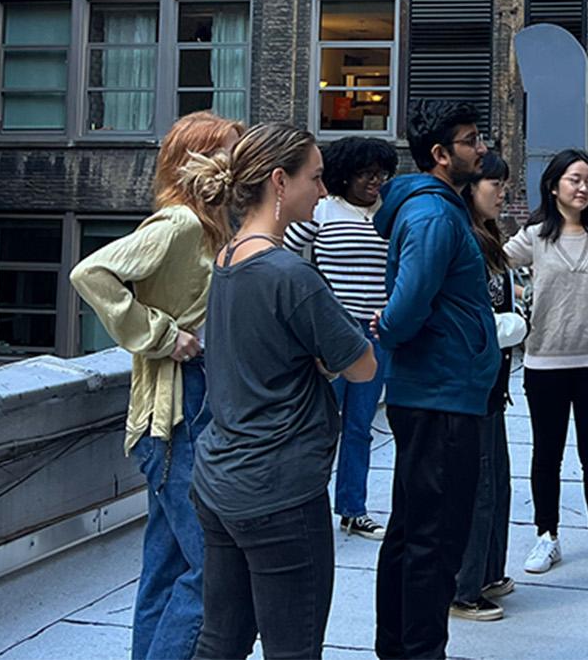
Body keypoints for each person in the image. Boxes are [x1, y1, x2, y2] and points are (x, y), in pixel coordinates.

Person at [182, 122, 377, 659]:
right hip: (280, 490)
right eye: (315, 177)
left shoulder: (226, 260)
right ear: (279, 181)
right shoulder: (289, 274)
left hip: (221, 480)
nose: (323, 190)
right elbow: (363, 366)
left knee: (219, 641)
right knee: (293, 649)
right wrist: (327, 361)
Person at [70, 111, 242, 660]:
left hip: (181, 408)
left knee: (165, 568)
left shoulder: (209, 225)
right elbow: (90, 272)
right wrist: (161, 335)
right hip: (177, 410)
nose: (238, 162)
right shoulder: (180, 224)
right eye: (230, 150)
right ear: (200, 160)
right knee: (213, 566)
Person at [370, 99, 500, 660]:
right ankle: (419, 650)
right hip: (439, 396)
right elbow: (406, 306)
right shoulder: (434, 216)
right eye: (471, 140)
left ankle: (399, 647)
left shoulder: (437, 209)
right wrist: (388, 327)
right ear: (442, 154)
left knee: (414, 531)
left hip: (439, 392)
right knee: (434, 539)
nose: (482, 148)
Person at [506, 149, 588, 586]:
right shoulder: (534, 236)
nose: (583, 188)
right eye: (574, 179)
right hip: (544, 362)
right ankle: (547, 535)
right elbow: (492, 261)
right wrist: (522, 295)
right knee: (547, 454)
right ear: (553, 185)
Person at [284, 135, 399, 540]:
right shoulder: (322, 210)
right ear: (344, 176)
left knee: (359, 426)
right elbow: (280, 253)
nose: (375, 181)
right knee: (317, 424)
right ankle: (304, 506)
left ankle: (353, 509)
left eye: (381, 174)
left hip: (377, 334)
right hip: (332, 333)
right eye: (366, 174)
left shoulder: (390, 213)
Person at [451, 152, 527, 622]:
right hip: (471, 382)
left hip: (494, 382)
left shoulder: (491, 237)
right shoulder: (464, 239)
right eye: (493, 185)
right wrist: (509, 326)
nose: (502, 193)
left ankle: (487, 572)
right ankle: (463, 588)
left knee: (497, 483)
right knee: (477, 486)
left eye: (504, 184)